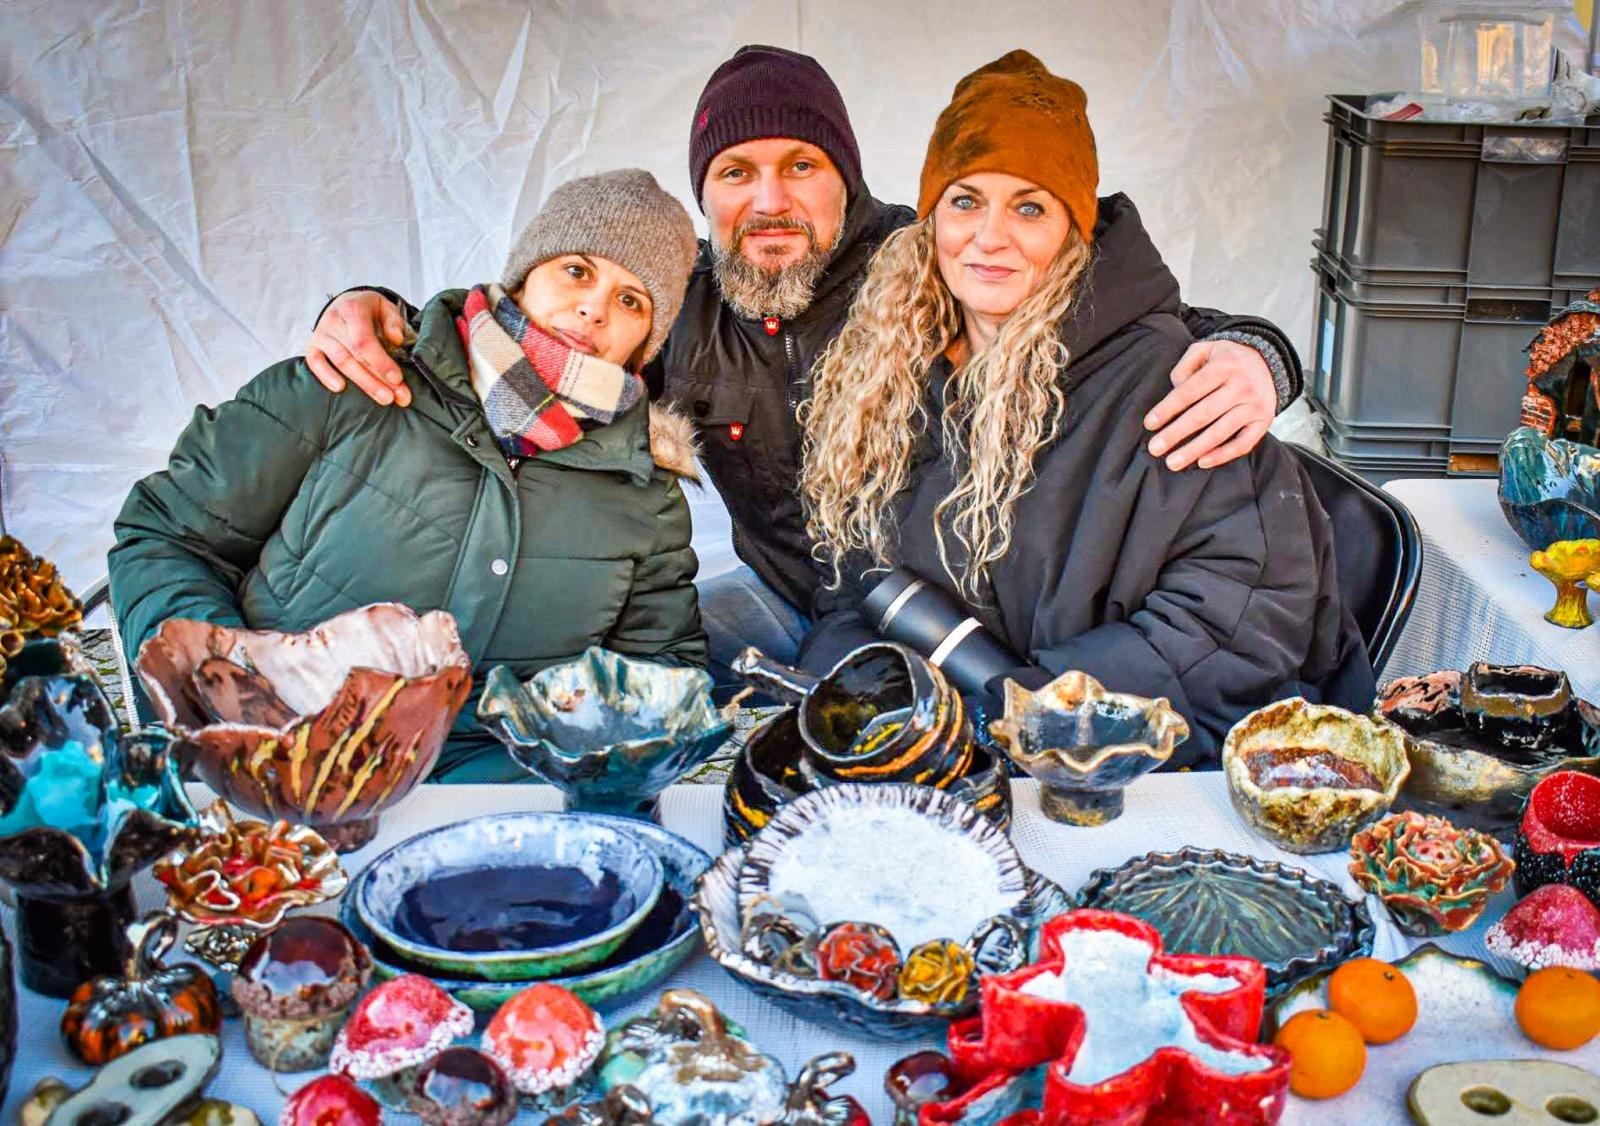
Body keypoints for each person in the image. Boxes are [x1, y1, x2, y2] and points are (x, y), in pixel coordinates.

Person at [304, 46, 1305, 692]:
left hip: (947, 608)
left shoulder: (929, 266)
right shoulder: (675, 311)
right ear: (707, 197)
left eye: (801, 167)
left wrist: (1261, 354)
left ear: (847, 179)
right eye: (737, 174)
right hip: (799, 603)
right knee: (672, 698)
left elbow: (1112, 322)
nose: (770, 200)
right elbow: (528, 341)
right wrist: (376, 314)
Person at [795, 51, 1373, 765]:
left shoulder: (1176, 378)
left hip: (1148, 760)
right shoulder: (895, 366)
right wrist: (863, 691)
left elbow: (1235, 621)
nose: (989, 237)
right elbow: (855, 577)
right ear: (932, 219)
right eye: (966, 200)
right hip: (956, 742)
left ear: (1075, 228)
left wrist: (1021, 713)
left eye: (1030, 207)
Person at [108, 169, 707, 781]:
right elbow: (166, 536)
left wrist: (560, 773)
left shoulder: (643, 492)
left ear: (645, 343)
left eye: (631, 300)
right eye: (577, 270)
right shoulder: (352, 383)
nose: (593, 308)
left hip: (488, 795)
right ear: (526, 273)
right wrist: (227, 684)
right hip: (269, 758)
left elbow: (659, 679)